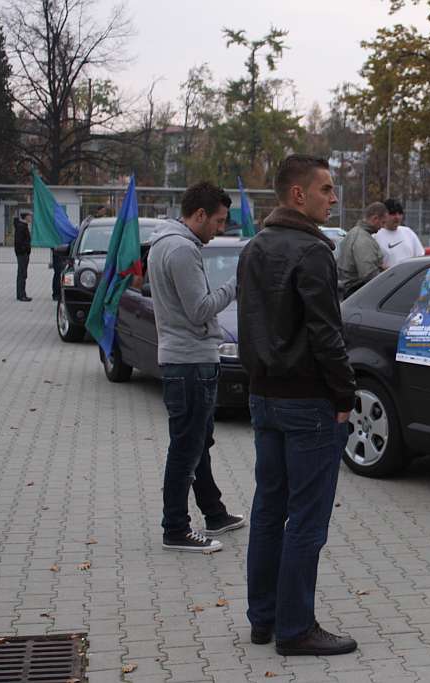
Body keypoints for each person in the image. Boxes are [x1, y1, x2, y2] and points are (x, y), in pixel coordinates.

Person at [237, 154, 357, 656]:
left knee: (268, 511)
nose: (334, 197)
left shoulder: (255, 247)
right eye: (327, 189)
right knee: (306, 520)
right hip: (307, 403)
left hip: (265, 398)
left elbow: (247, 326)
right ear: (297, 195)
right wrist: (345, 394)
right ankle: (294, 629)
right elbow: (326, 334)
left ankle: (264, 619)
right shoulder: (313, 252)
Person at [147, 181, 245, 553]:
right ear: (199, 214)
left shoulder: (165, 243)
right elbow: (200, 308)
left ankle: (214, 512)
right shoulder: (182, 250)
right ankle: (175, 528)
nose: (219, 229)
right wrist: (234, 285)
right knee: (186, 449)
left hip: (186, 360)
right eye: (217, 222)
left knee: (198, 443)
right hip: (189, 363)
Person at [338, 202, 387, 296]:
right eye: (383, 222)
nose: (383, 226)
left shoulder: (354, 232)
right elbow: (369, 275)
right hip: (357, 292)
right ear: (375, 218)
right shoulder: (363, 239)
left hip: (348, 291)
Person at [373, 198, 425, 268]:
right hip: (389, 278)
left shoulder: (408, 232)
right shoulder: (375, 236)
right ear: (383, 215)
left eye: (400, 213)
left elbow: (420, 257)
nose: (397, 217)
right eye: (393, 213)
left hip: (409, 277)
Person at [14, 211, 32, 302]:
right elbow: (19, 241)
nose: (31, 218)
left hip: (24, 253)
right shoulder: (21, 227)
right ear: (26, 217)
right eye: (30, 216)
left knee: (23, 273)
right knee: (22, 273)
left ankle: (21, 293)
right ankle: (21, 294)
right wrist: (24, 250)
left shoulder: (23, 226)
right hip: (22, 254)